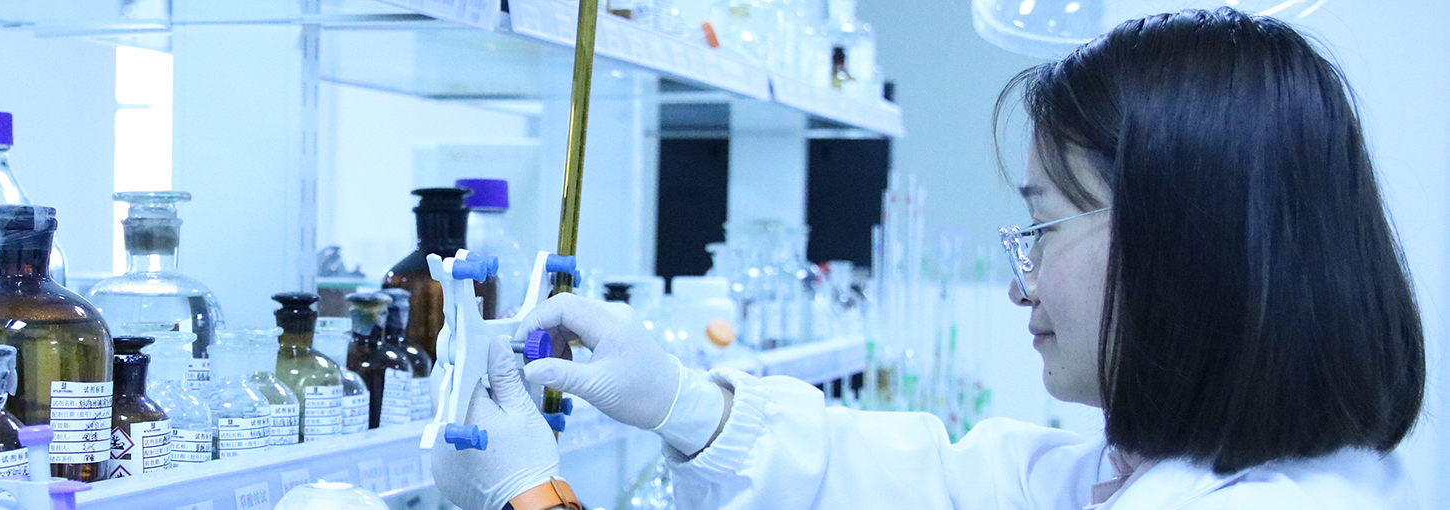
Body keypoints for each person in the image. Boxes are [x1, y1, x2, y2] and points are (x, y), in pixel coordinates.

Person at [432, 7, 1425, 510]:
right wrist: (684, 403)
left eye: (1042, 226)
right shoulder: (1134, 473)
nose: (1019, 283)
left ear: (1183, 245)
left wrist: (535, 491)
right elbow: (934, 487)